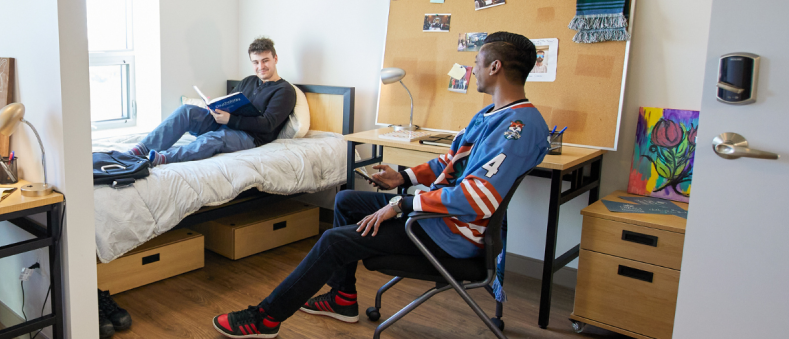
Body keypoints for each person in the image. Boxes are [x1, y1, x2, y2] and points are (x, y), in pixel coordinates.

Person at [210, 32, 550, 338]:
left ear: (495, 67)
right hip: (439, 219)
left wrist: (401, 204)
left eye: (476, 63)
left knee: (333, 241)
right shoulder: (492, 114)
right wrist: (403, 179)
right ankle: (343, 297)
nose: (471, 69)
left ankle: (265, 318)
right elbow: (449, 164)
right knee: (346, 202)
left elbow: (475, 198)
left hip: (450, 236)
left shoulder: (517, 127)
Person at [120, 37, 297, 167]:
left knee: (215, 138)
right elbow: (232, 101)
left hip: (250, 137)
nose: (261, 67)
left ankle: (165, 157)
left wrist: (230, 121)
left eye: (265, 60)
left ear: (275, 59)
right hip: (227, 123)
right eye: (256, 62)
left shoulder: (285, 91)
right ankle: (141, 149)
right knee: (187, 111)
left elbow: (268, 125)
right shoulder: (249, 80)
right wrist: (216, 107)